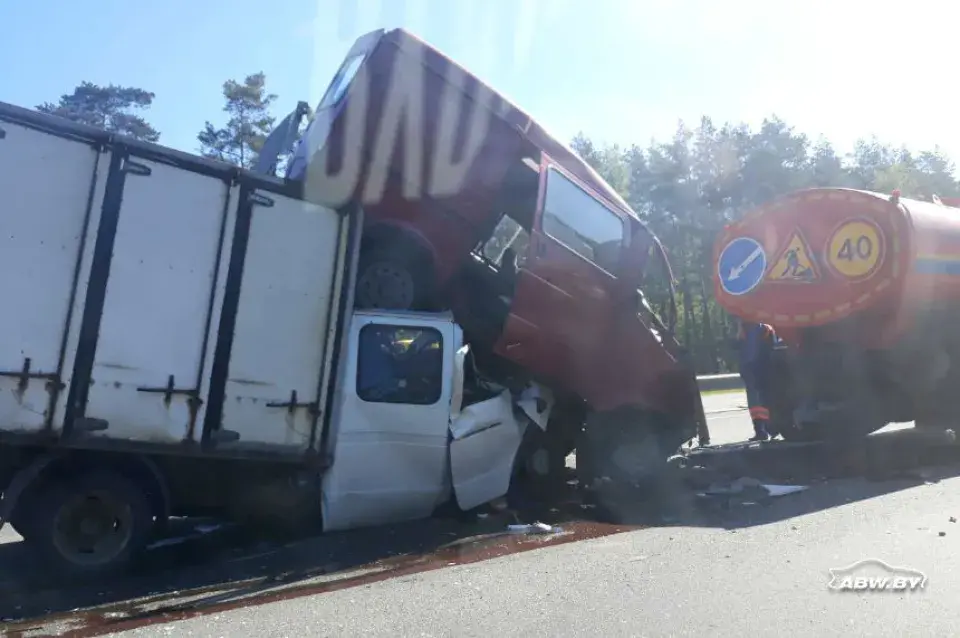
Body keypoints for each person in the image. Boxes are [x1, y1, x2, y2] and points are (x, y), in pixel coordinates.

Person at [737, 319, 777, 442]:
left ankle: (768, 429)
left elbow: (770, 350)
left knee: (763, 401)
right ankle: (761, 430)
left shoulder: (765, 329)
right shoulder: (744, 330)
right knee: (756, 404)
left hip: (761, 371)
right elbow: (741, 351)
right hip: (752, 371)